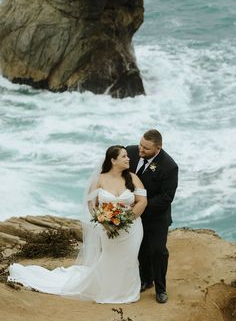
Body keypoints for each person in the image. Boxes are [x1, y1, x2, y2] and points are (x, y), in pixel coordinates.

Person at [8, 145, 147, 304]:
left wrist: (126, 219)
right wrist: (104, 221)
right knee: (110, 256)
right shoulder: (99, 180)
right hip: (108, 228)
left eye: (127, 156)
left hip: (132, 229)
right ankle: (109, 292)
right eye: (124, 156)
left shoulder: (133, 178)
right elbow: (91, 205)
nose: (128, 159)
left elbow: (142, 201)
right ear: (113, 160)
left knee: (129, 258)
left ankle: (128, 292)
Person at [126, 129, 178, 303]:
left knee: (158, 251)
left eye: (146, 148)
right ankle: (146, 280)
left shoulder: (169, 166)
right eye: (141, 144)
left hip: (156, 218)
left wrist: (140, 204)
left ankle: (160, 289)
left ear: (158, 148)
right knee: (141, 249)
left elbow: (166, 198)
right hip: (135, 215)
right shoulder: (131, 152)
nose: (140, 150)